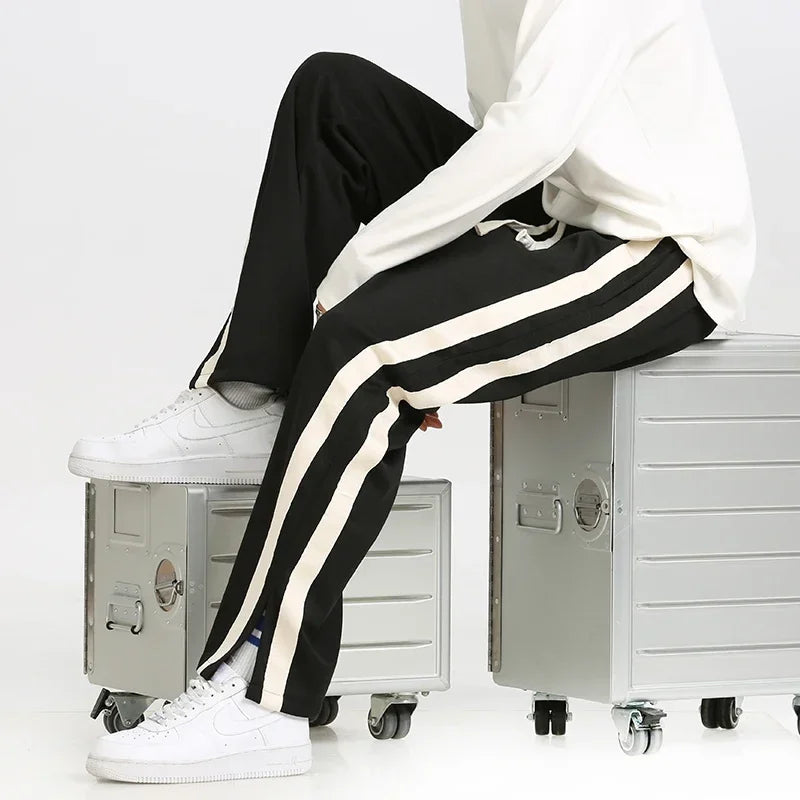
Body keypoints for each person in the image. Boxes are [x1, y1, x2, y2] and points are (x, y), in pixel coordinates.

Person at [70, 0, 755, 784]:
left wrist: (370, 274)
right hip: (559, 203)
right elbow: (510, 138)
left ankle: (259, 693)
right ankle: (251, 399)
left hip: (655, 248)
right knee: (332, 100)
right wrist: (423, 296)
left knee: (364, 350)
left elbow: (531, 136)